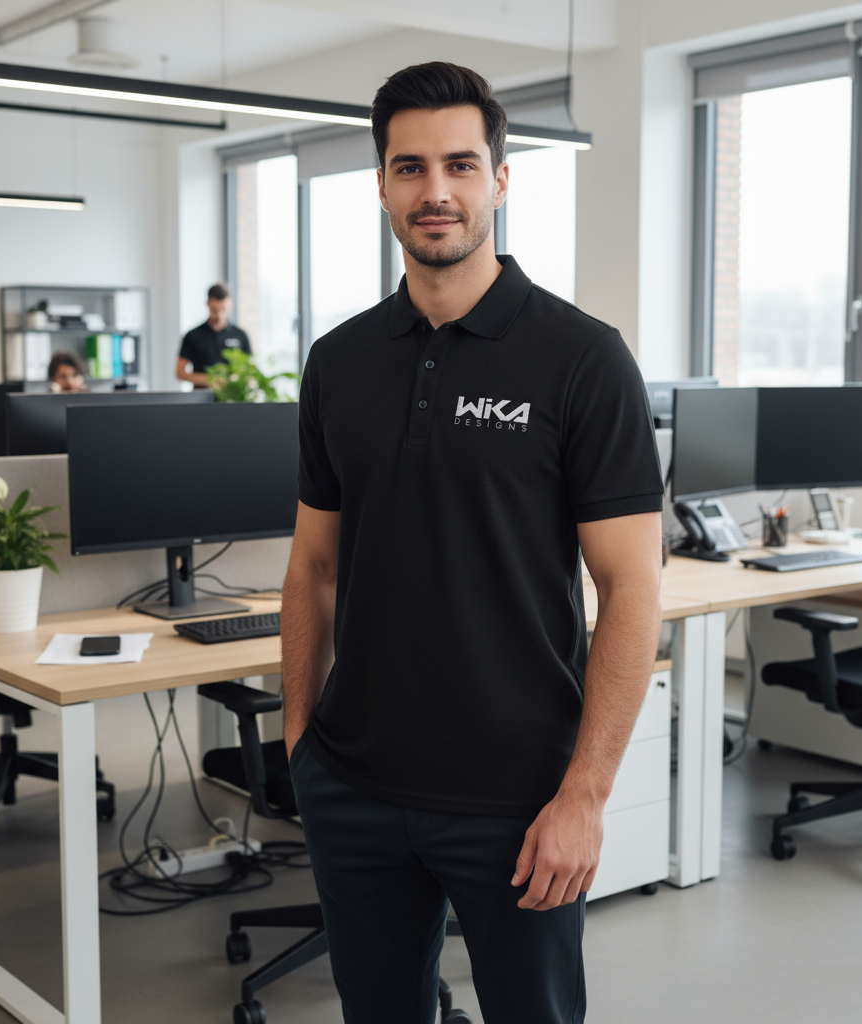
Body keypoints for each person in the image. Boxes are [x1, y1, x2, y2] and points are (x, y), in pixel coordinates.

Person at [281, 62, 664, 1024]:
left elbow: (630, 591)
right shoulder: (339, 361)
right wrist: (300, 743)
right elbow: (314, 564)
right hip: (355, 784)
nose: (435, 191)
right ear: (379, 185)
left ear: (501, 176)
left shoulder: (583, 358)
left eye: (460, 164)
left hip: (518, 798)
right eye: (409, 168)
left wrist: (583, 795)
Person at [176, 283, 251, 387]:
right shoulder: (192, 335)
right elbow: (180, 372)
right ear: (208, 304)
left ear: (230, 304)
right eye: (214, 310)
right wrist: (209, 379)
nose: (219, 316)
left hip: (232, 398)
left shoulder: (241, 335)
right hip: (203, 398)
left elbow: (250, 370)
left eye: (223, 310)